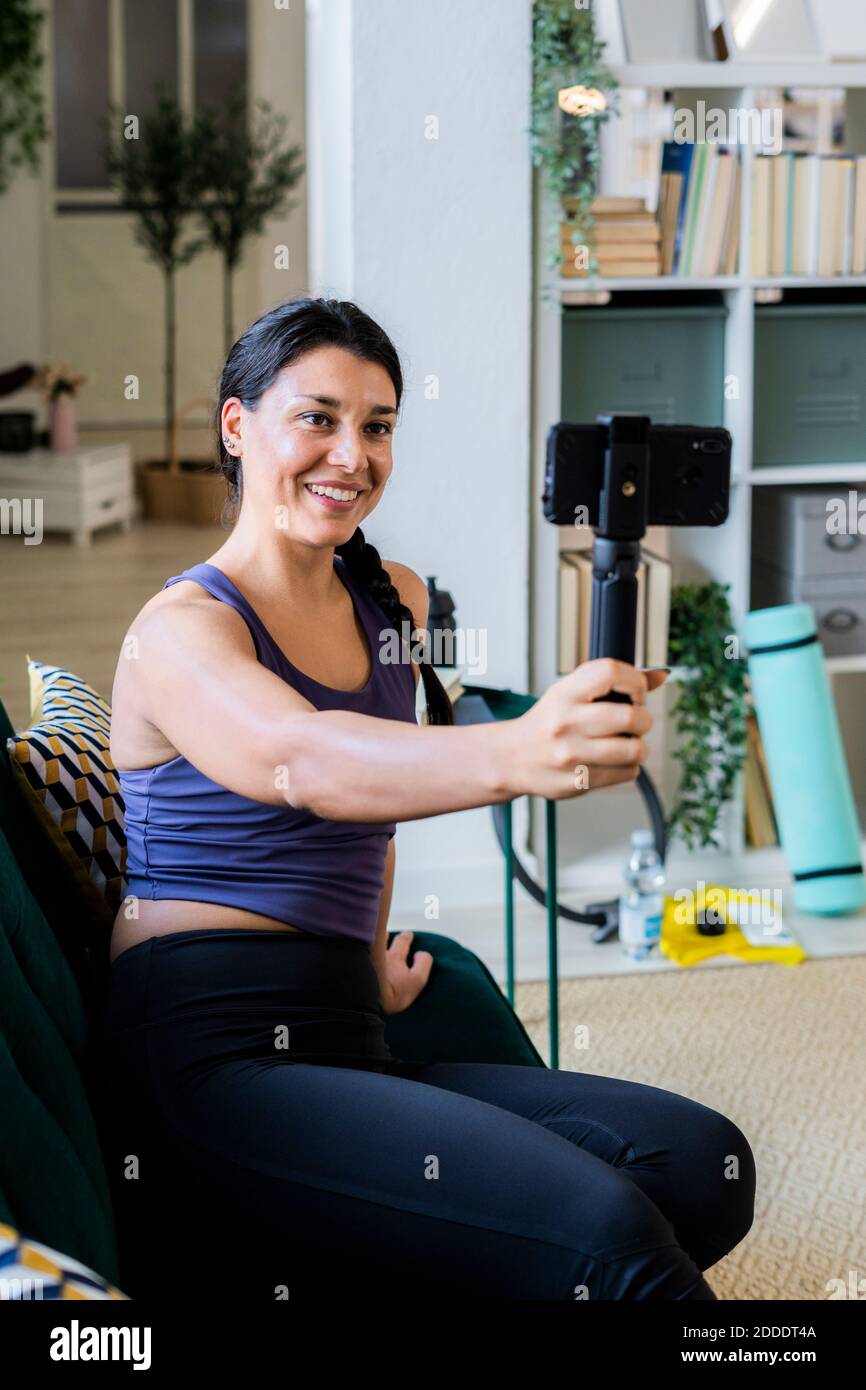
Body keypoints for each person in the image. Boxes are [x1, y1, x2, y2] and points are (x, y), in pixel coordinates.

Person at [101, 296, 755, 1300]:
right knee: (609, 1235)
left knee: (697, 1163)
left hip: (343, 1033)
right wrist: (520, 749)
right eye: (316, 417)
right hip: (210, 1056)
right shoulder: (180, 629)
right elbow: (303, 760)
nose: (350, 454)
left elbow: (376, 792)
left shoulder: (388, 596)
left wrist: (363, 962)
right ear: (238, 427)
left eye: (376, 425)